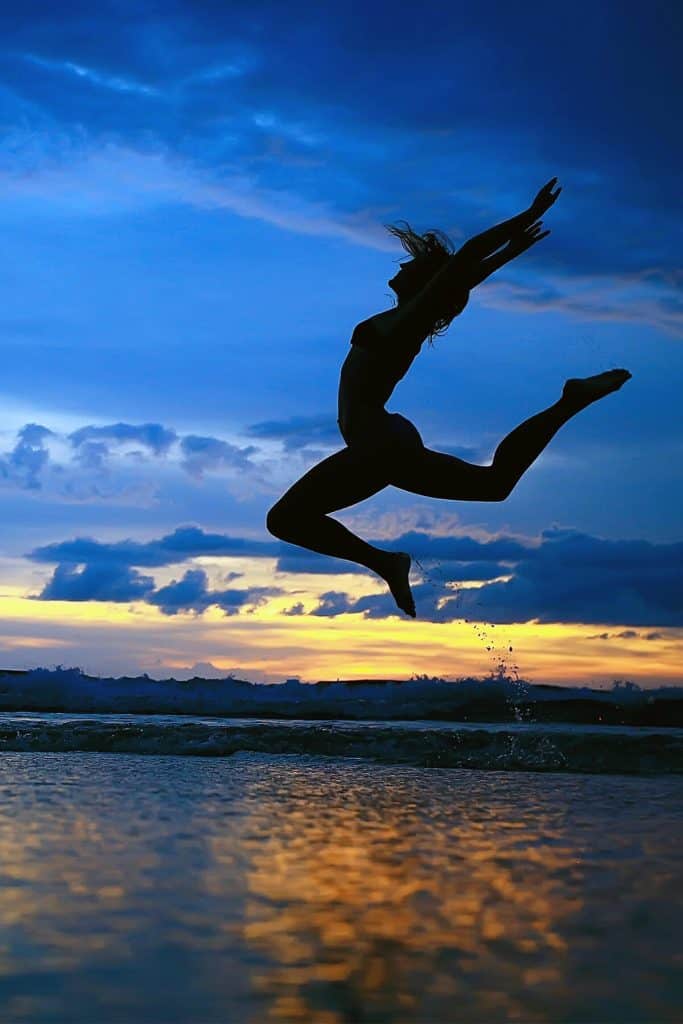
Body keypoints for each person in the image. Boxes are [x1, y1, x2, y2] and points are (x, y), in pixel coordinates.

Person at [266, 178, 631, 617]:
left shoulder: (410, 317)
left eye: (408, 266)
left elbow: (465, 262)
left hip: (377, 441)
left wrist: (527, 215)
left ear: (426, 280)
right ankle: (569, 401)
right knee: (495, 485)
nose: (397, 269)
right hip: (384, 441)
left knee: (285, 519)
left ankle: (385, 562)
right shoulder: (410, 315)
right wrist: (511, 251)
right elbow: (467, 272)